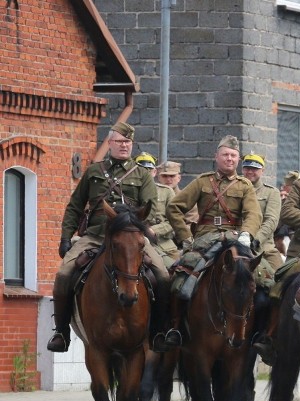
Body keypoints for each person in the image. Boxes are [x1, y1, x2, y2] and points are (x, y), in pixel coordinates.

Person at [46, 122, 173, 353]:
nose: (124, 146)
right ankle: (61, 332)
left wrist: (128, 220)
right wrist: (66, 237)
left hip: (129, 238)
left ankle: (158, 331)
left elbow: (151, 209)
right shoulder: (94, 171)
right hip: (96, 235)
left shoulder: (142, 174)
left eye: (128, 142)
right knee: (64, 273)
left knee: (163, 275)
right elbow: (75, 206)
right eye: (120, 141)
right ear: (110, 143)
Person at [160, 135, 263, 351]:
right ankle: (175, 327)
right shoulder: (203, 181)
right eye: (225, 154)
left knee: (264, 279)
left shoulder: (245, 186)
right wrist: (185, 236)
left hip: (235, 238)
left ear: (238, 159)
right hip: (205, 239)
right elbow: (174, 207)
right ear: (216, 156)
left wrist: (246, 234)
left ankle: (261, 334)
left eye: (234, 155)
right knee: (179, 277)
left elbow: (253, 213)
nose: (229, 159)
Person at [240, 152, 285, 363]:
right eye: (247, 168)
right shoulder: (236, 189)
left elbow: (271, 220)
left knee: (280, 286)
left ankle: (271, 336)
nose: (250, 172)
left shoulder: (271, 192)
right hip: (236, 246)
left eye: (254, 169)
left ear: (262, 171)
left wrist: (255, 239)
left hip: (263, 248)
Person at [147, 161, 181, 269]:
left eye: (172, 176)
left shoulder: (186, 198)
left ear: (179, 178)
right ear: (158, 176)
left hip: (172, 242)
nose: (168, 179)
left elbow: (180, 222)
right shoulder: (151, 192)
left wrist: (155, 230)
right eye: (165, 176)